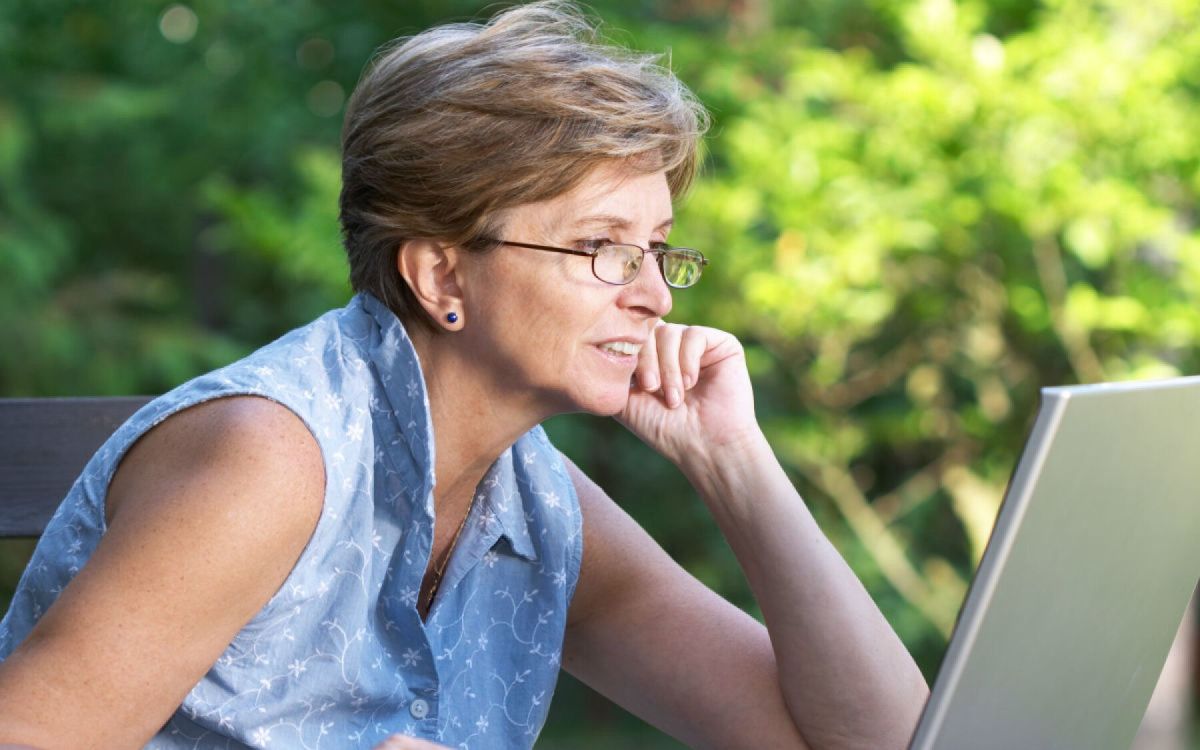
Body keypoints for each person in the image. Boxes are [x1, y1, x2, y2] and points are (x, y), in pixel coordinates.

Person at [0, 2, 928, 748]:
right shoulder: (272, 456)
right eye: (603, 248)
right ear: (441, 276)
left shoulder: (535, 504)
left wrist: (735, 462)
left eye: (657, 248)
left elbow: (885, 740)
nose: (652, 294)